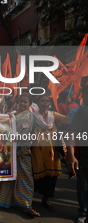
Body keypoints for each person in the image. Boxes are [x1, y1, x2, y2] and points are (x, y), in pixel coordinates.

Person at [0, 93, 40, 217]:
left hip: (24, 151)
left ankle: (26, 205)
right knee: (9, 177)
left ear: (30, 104)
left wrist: (20, 137)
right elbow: (2, 131)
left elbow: (34, 136)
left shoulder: (31, 117)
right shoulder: (12, 115)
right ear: (17, 102)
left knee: (26, 178)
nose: (23, 104)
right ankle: (4, 202)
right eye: (21, 101)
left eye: (26, 102)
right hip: (10, 151)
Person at [31, 94, 67, 211]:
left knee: (51, 176)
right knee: (35, 174)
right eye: (42, 100)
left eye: (47, 101)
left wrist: (68, 108)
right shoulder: (32, 116)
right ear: (38, 102)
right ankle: (28, 199)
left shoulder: (54, 115)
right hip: (37, 150)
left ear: (50, 103)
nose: (45, 103)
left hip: (52, 151)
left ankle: (46, 199)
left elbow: (67, 119)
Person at [67, 85, 88, 223]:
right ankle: (84, 212)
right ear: (83, 95)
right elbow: (71, 134)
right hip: (84, 155)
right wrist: (71, 155)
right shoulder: (79, 112)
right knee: (84, 186)